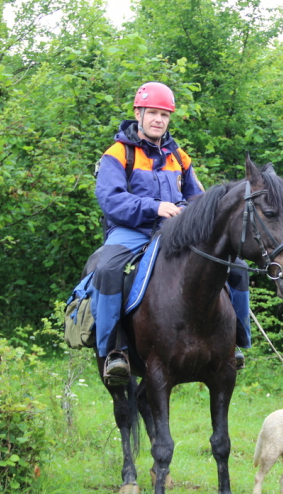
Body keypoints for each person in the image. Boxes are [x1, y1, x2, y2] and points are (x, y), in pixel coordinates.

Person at [89, 82, 250, 384]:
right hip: (130, 231)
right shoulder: (118, 153)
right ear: (138, 112)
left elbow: (198, 198)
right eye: (153, 113)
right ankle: (113, 351)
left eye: (165, 115)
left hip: (176, 232)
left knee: (236, 267)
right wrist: (155, 207)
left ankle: (236, 342)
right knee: (109, 269)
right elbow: (111, 199)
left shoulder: (178, 155)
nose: (159, 120)